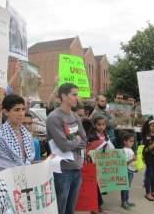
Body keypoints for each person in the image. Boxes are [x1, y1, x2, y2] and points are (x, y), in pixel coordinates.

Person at [46, 83, 87, 214]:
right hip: (62, 170)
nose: (77, 98)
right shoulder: (54, 117)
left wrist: (73, 141)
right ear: (63, 96)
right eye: (74, 95)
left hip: (77, 167)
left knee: (71, 208)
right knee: (60, 208)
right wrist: (76, 141)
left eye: (77, 95)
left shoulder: (74, 116)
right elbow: (64, 146)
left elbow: (84, 139)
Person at [0, 94, 35, 169]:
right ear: (6, 112)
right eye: (17, 110)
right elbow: (1, 163)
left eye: (23, 109)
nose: (21, 113)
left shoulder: (27, 134)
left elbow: (30, 158)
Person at [86, 116, 113, 214]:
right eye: (99, 125)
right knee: (94, 186)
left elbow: (110, 148)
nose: (101, 127)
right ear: (94, 125)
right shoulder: (92, 136)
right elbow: (89, 150)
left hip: (103, 164)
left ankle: (97, 205)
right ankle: (95, 207)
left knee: (100, 185)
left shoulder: (106, 135)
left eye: (103, 125)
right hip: (93, 164)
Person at [121, 133, 136, 210]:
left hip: (131, 171)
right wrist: (132, 160)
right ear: (125, 141)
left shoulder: (130, 149)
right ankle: (123, 202)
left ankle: (126, 200)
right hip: (126, 171)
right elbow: (124, 163)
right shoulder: (124, 151)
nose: (132, 143)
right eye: (130, 141)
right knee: (124, 187)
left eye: (133, 141)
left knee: (127, 187)